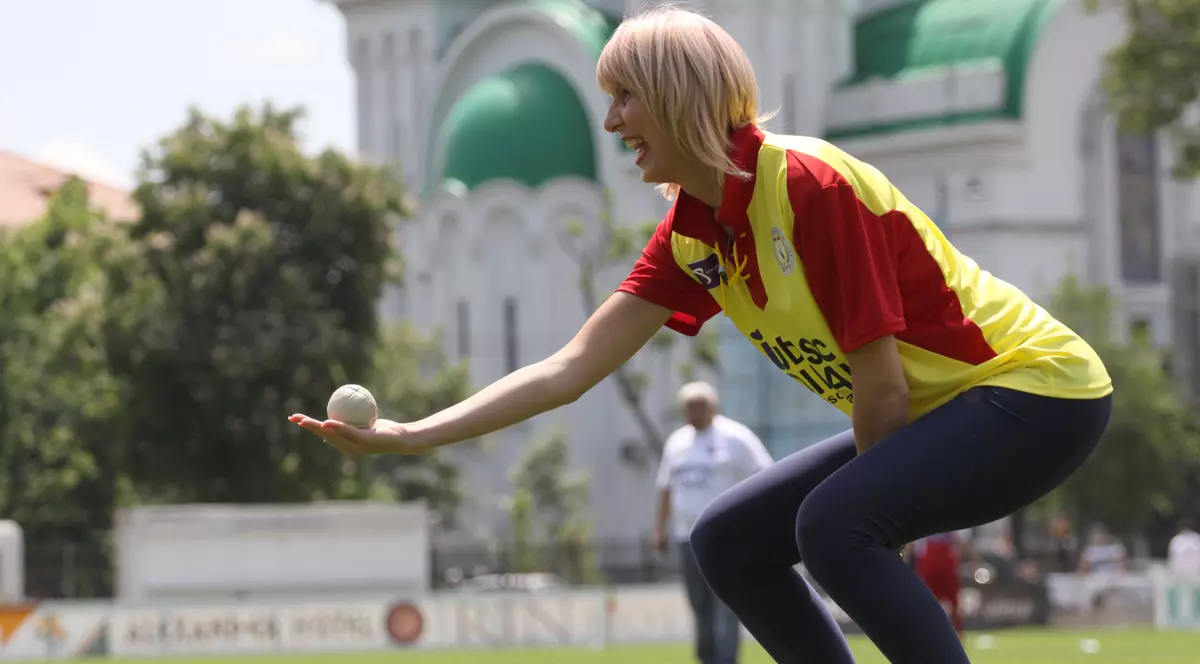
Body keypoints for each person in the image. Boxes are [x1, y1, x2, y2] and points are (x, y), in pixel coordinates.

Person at [290, 7, 1112, 663]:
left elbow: (885, 389)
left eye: (626, 97)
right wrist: (410, 435)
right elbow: (569, 368)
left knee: (831, 524)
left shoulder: (810, 185)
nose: (611, 121)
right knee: (728, 540)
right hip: (950, 411)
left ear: (681, 94)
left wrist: (875, 519)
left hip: (1037, 392)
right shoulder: (693, 235)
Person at [655, 381, 773, 664]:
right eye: (688, 407)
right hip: (687, 538)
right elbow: (665, 489)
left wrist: (755, 522)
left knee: (725, 603)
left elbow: (766, 476)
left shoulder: (737, 437)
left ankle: (725, 660)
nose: (693, 411)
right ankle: (707, 658)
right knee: (699, 604)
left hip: (726, 537)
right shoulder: (676, 442)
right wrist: (659, 529)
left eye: (700, 405)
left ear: (713, 406)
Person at [912, 530, 979, 637]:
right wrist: (973, 557)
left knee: (929, 601)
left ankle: (927, 634)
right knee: (936, 602)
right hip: (939, 560)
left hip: (934, 560)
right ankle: (953, 635)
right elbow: (960, 540)